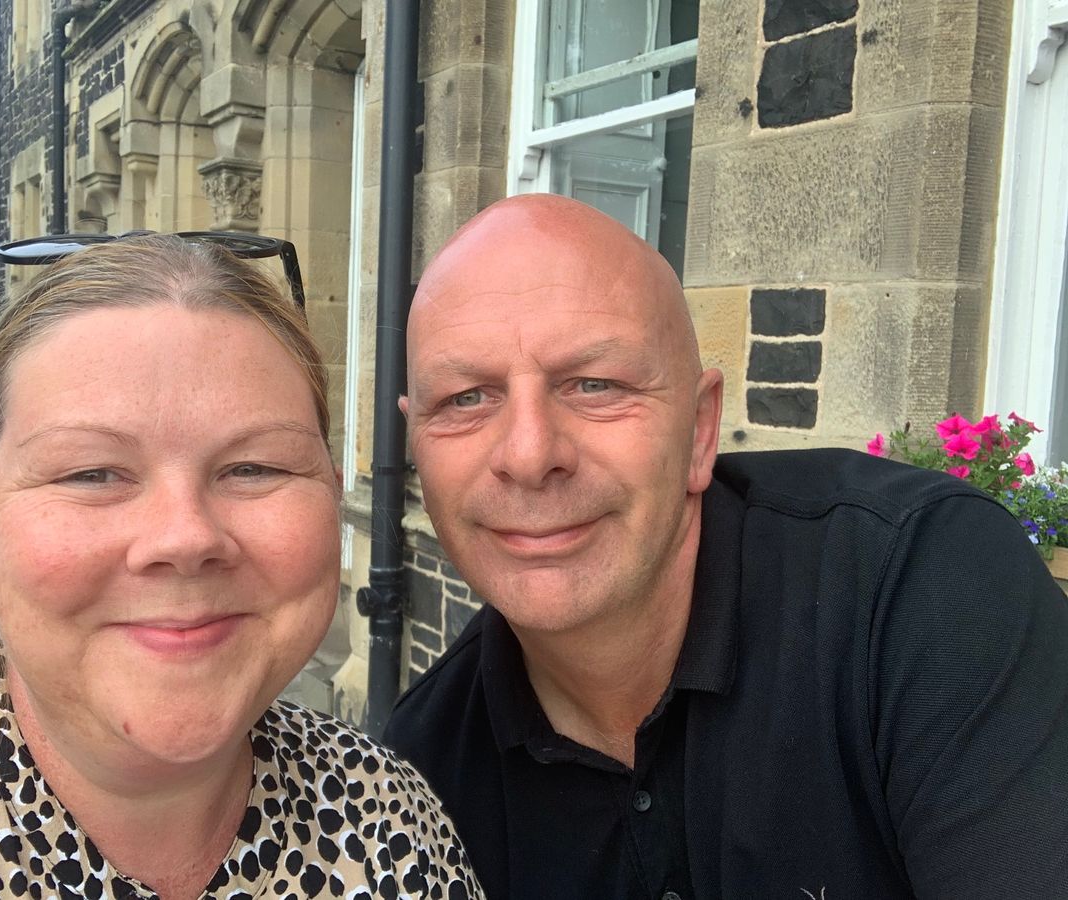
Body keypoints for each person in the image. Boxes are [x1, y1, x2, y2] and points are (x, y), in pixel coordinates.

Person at [384, 195, 1068, 899]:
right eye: (466, 398)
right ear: (416, 447)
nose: (528, 455)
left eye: (594, 384)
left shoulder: (916, 587)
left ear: (700, 431)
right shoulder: (420, 780)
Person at [0, 234, 483, 900]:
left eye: (255, 468)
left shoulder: (394, 822)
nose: (185, 537)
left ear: (332, 498)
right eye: (91, 472)